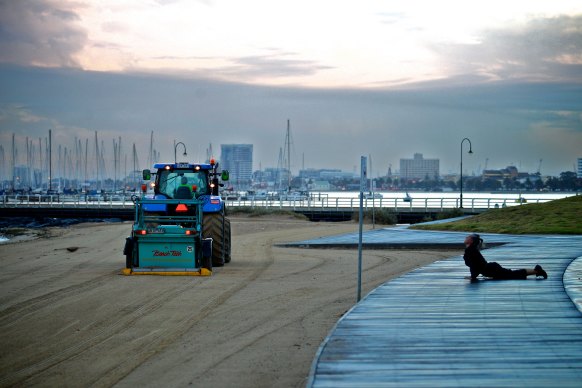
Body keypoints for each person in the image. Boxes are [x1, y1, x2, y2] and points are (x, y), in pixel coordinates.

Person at [463, 233, 547, 280]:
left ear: (471, 240)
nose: (466, 237)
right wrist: (473, 275)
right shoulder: (470, 249)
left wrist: (472, 276)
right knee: (512, 274)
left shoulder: (471, 250)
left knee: (513, 274)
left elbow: (475, 265)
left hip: (492, 270)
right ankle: (536, 270)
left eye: (468, 237)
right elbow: (474, 264)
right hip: (490, 269)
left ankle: (537, 270)